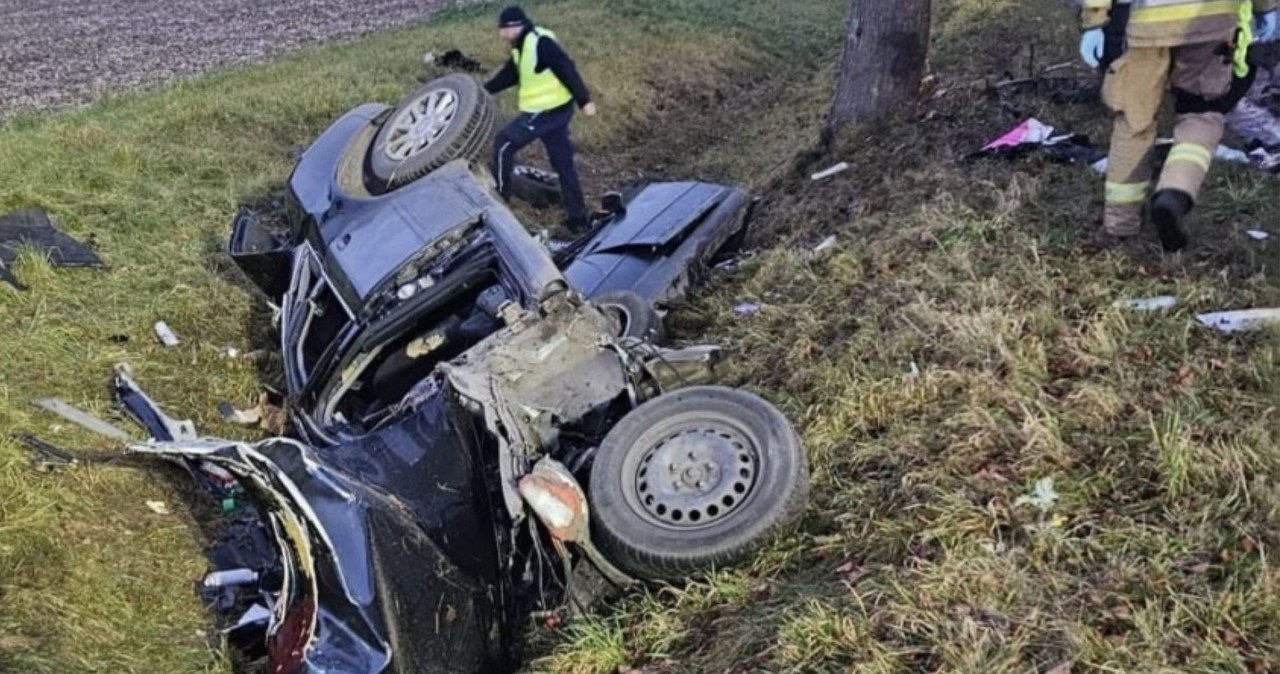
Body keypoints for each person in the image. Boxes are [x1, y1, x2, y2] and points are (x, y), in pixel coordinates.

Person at [1078, 0, 1279, 251]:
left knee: (1135, 120)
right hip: (1214, 21)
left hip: (1146, 24)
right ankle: (1174, 192)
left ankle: (1120, 224)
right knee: (1202, 113)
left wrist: (1094, 21)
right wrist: (1266, 9)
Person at [484, 5, 597, 233]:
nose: (501, 35)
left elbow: (567, 68)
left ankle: (500, 204)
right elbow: (511, 75)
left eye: (503, 29)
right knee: (563, 163)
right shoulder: (521, 47)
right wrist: (483, 90)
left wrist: (584, 100)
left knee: (504, 144)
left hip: (546, 112)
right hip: (553, 112)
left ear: (515, 27)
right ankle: (579, 220)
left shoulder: (541, 43)